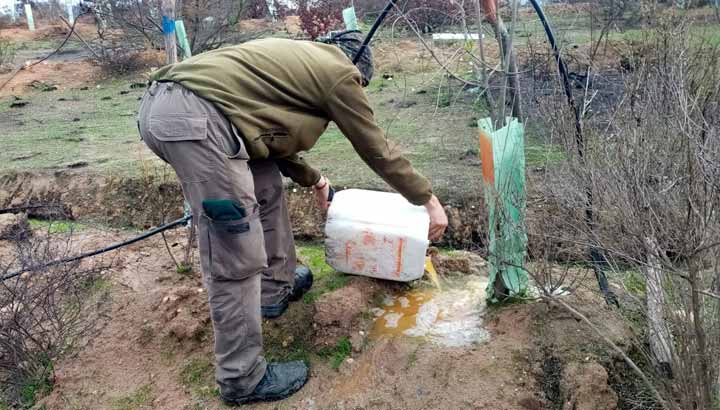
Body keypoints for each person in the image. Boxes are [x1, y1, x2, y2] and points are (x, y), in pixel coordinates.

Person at [137, 30, 448, 406]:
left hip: (190, 112)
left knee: (264, 186)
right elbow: (376, 149)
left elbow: (262, 131)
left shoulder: (298, 62)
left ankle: (273, 290)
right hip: (194, 124)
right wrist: (426, 199)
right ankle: (242, 377)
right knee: (235, 248)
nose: (358, 90)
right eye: (361, 85)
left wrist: (314, 179)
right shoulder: (339, 74)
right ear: (358, 70)